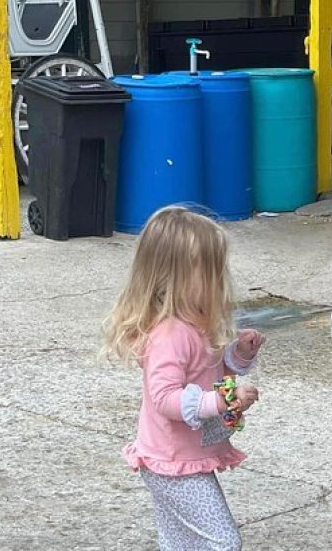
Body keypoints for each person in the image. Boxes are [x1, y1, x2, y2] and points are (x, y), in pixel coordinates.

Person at [102, 206, 265, 550]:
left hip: (177, 459)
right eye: (210, 271)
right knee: (224, 542)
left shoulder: (194, 325)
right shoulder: (171, 335)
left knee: (181, 543)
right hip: (172, 463)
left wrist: (239, 354)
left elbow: (211, 371)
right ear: (174, 277)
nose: (220, 279)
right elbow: (164, 397)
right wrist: (217, 402)